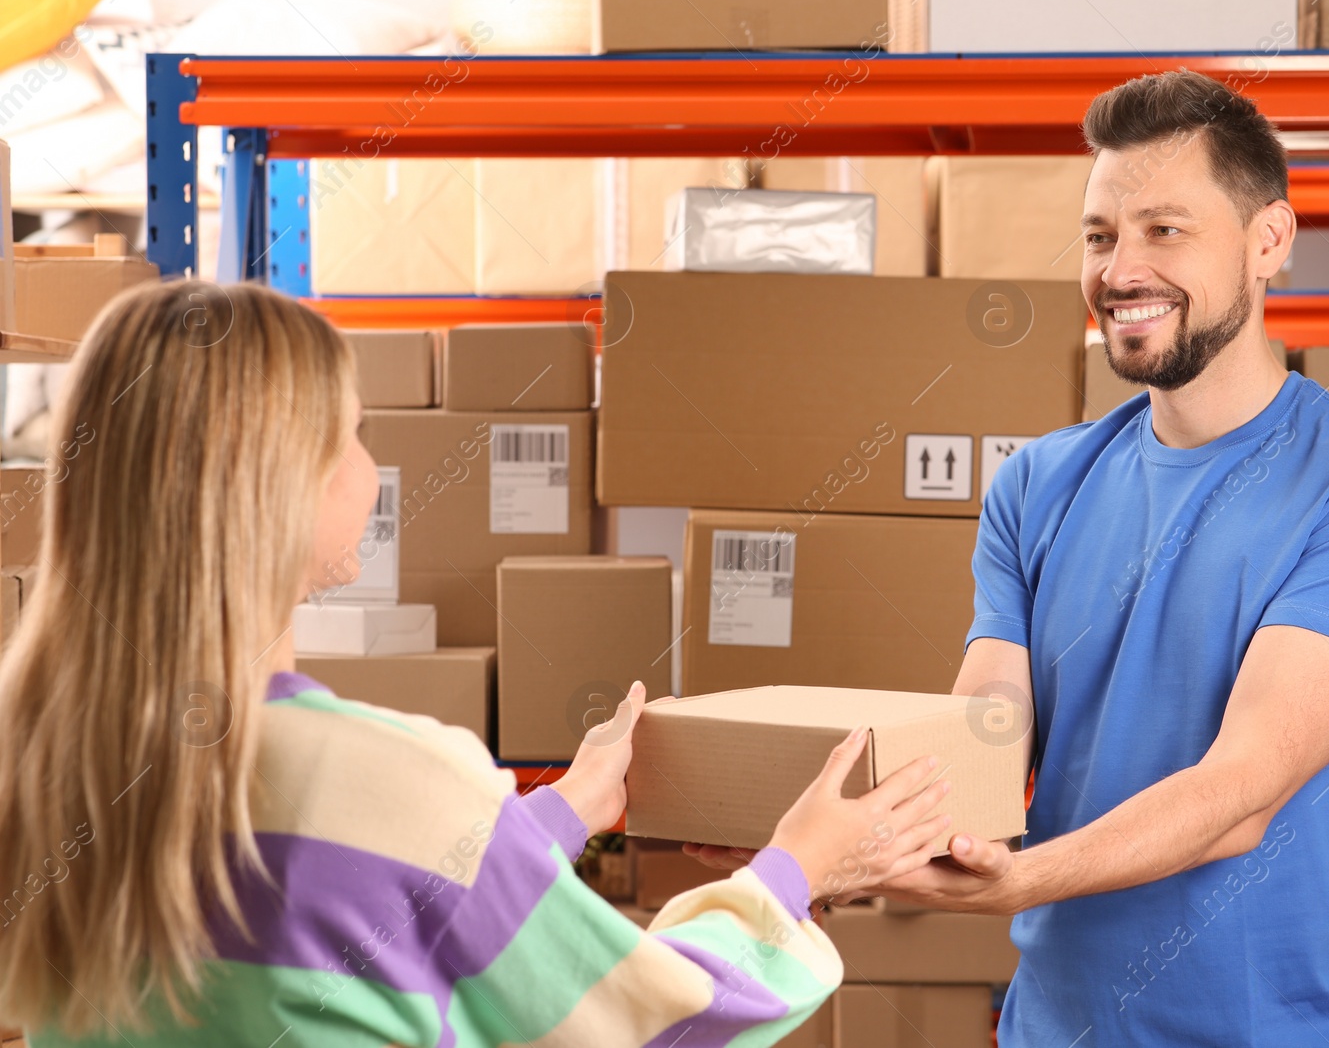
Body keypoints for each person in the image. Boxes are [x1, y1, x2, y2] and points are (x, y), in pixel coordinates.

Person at [693, 70, 1329, 1045]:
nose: (1119, 269)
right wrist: (815, 846)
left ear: (1269, 240)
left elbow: (1240, 796)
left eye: (1163, 230)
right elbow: (983, 736)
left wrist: (1016, 879)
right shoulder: (1037, 484)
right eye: (1100, 236)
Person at [0, 280, 953, 1046]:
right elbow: (652, 1017)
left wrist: (560, 812)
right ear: (284, 481)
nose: (372, 466)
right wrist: (800, 867)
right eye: (355, 431)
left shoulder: (44, 755)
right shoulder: (387, 775)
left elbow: (372, 892)